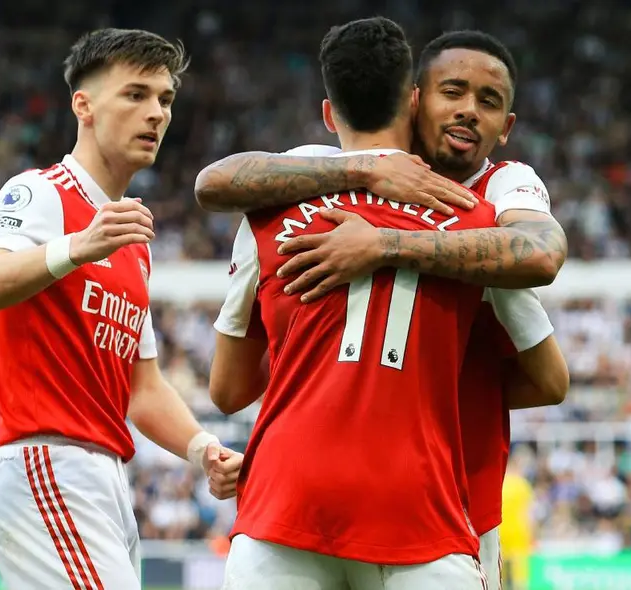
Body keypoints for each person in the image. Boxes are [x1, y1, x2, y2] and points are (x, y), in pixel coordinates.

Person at [196, 29, 569, 590]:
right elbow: (217, 182)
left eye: (488, 101)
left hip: (451, 499)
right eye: (453, 92)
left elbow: (541, 263)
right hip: (407, 512)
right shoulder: (463, 217)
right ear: (415, 98)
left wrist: (383, 249)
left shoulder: (498, 197)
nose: (468, 111)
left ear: (507, 127)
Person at [0, 28, 242, 589]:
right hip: (47, 463)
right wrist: (77, 247)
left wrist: (202, 448)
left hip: (106, 478)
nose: (156, 113)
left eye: (164, 99)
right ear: (83, 106)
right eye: (135, 94)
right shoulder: (41, 192)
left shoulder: (129, 238)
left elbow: (142, 386)